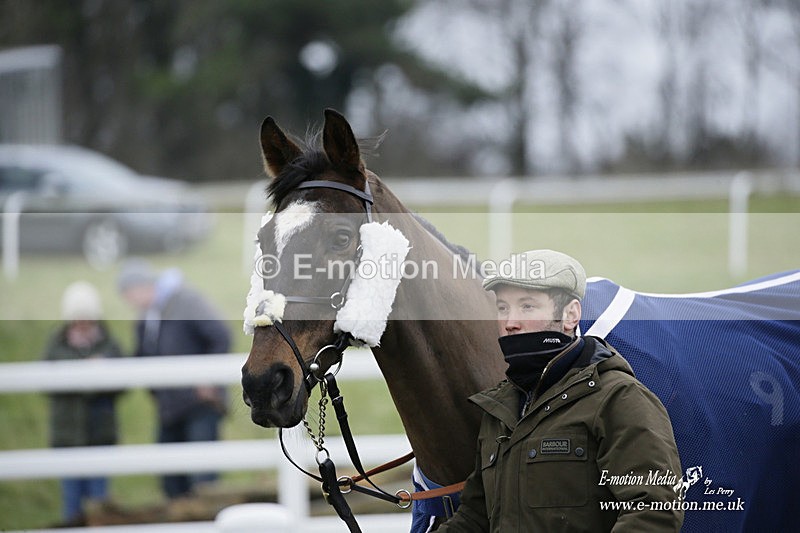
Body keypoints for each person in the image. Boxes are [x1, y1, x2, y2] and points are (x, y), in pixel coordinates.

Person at [435, 249, 683, 532]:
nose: (509, 322)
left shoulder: (618, 398)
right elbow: (475, 519)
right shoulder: (500, 410)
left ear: (570, 315)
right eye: (502, 308)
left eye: (527, 306)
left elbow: (654, 512)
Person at [117, 259, 231, 500]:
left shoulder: (185, 302)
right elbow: (141, 357)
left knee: (202, 480)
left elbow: (220, 335)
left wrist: (207, 378)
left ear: (141, 287)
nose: (130, 302)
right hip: (169, 408)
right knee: (171, 480)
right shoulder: (147, 319)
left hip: (200, 404)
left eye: (129, 294)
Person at [45, 281, 121, 525]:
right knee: (71, 499)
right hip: (68, 436)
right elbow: (47, 379)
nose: (83, 325)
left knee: (99, 499)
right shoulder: (57, 345)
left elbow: (122, 381)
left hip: (99, 433)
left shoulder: (109, 344)